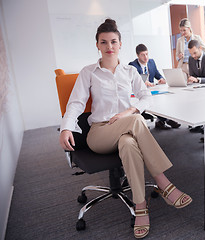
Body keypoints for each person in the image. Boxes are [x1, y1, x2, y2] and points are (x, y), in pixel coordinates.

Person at [59, 19, 192, 239]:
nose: (109, 46)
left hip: (127, 130)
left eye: (113, 41)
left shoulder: (129, 71)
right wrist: (66, 128)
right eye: (104, 42)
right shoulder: (89, 72)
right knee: (137, 121)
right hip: (99, 133)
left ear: (120, 44)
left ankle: (140, 207)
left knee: (129, 144)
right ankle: (164, 183)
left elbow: (146, 97)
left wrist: (128, 112)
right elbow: (76, 103)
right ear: (97, 45)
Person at [129, 44, 181, 130]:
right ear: (137, 55)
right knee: (153, 100)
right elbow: (132, 81)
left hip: (153, 90)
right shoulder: (132, 65)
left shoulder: (151, 62)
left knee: (165, 98)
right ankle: (166, 120)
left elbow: (157, 74)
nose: (146, 57)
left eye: (147, 54)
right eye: (142, 55)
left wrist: (161, 79)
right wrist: (142, 82)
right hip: (139, 94)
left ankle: (162, 120)